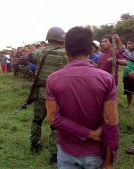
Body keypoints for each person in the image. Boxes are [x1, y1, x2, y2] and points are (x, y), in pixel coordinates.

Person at [46, 26, 119, 169]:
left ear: (66, 50)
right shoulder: (107, 79)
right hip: (96, 154)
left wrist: (87, 133)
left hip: (67, 154)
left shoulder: (52, 79)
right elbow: (111, 122)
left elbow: (53, 120)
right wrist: (109, 161)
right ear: (92, 50)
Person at [30, 27, 68, 165]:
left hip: (39, 92)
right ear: (61, 38)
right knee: (55, 125)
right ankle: (54, 154)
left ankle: (34, 145)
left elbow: (32, 59)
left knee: (37, 120)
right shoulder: (65, 54)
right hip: (56, 95)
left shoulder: (39, 52)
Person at [123, 39, 134, 110]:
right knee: (128, 91)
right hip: (126, 75)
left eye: (131, 43)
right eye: (128, 43)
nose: (129, 45)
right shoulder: (125, 52)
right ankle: (129, 105)